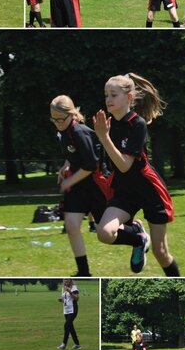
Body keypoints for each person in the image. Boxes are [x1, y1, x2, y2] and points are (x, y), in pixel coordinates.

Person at [92, 73, 180, 276]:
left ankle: (178, 283)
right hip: (124, 190)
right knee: (104, 233)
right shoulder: (108, 123)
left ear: (129, 98)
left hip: (148, 190)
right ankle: (138, 238)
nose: (108, 100)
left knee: (161, 252)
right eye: (106, 95)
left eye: (114, 95)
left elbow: (124, 165)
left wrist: (104, 138)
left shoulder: (137, 124)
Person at [50, 95, 147, 277]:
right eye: (53, 119)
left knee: (106, 233)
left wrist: (69, 180)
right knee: (71, 226)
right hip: (78, 188)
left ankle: (137, 236)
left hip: (96, 185)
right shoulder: (62, 130)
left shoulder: (79, 132)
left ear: (71, 115)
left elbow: (91, 164)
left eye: (60, 119)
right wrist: (66, 165)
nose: (57, 123)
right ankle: (84, 272)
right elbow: (73, 153)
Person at [58, 278, 81, 350]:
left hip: (73, 309)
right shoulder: (63, 288)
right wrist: (61, 300)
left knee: (66, 325)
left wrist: (70, 292)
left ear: (70, 280)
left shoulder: (74, 287)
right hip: (66, 310)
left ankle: (63, 344)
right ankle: (77, 344)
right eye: (64, 279)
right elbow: (64, 299)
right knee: (70, 327)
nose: (66, 281)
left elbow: (77, 298)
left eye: (67, 279)